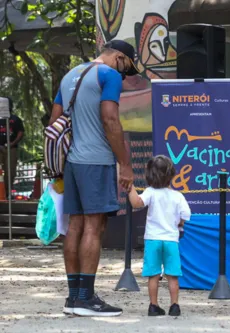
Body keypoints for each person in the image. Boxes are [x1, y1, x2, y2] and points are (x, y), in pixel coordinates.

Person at [49, 40, 138, 317]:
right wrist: (125, 163)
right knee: (94, 226)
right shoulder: (108, 75)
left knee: (74, 225)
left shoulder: (70, 75)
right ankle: (87, 299)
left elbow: (55, 120)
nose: (123, 77)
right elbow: (110, 119)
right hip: (96, 160)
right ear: (120, 58)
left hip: (73, 162)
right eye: (127, 70)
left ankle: (74, 297)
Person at [127, 155, 190, 317]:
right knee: (173, 275)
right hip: (171, 240)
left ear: (149, 175)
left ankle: (153, 306)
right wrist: (180, 223)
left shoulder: (150, 192)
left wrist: (130, 186)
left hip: (153, 239)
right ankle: (174, 305)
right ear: (171, 174)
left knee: (153, 275)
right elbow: (185, 214)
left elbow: (136, 203)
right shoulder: (178, 196)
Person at [0, 97, 24, 198]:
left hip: (11, 148)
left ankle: (7, 193)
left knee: (10, 172)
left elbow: (21, 132)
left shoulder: (15, 119)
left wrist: (13, 143)